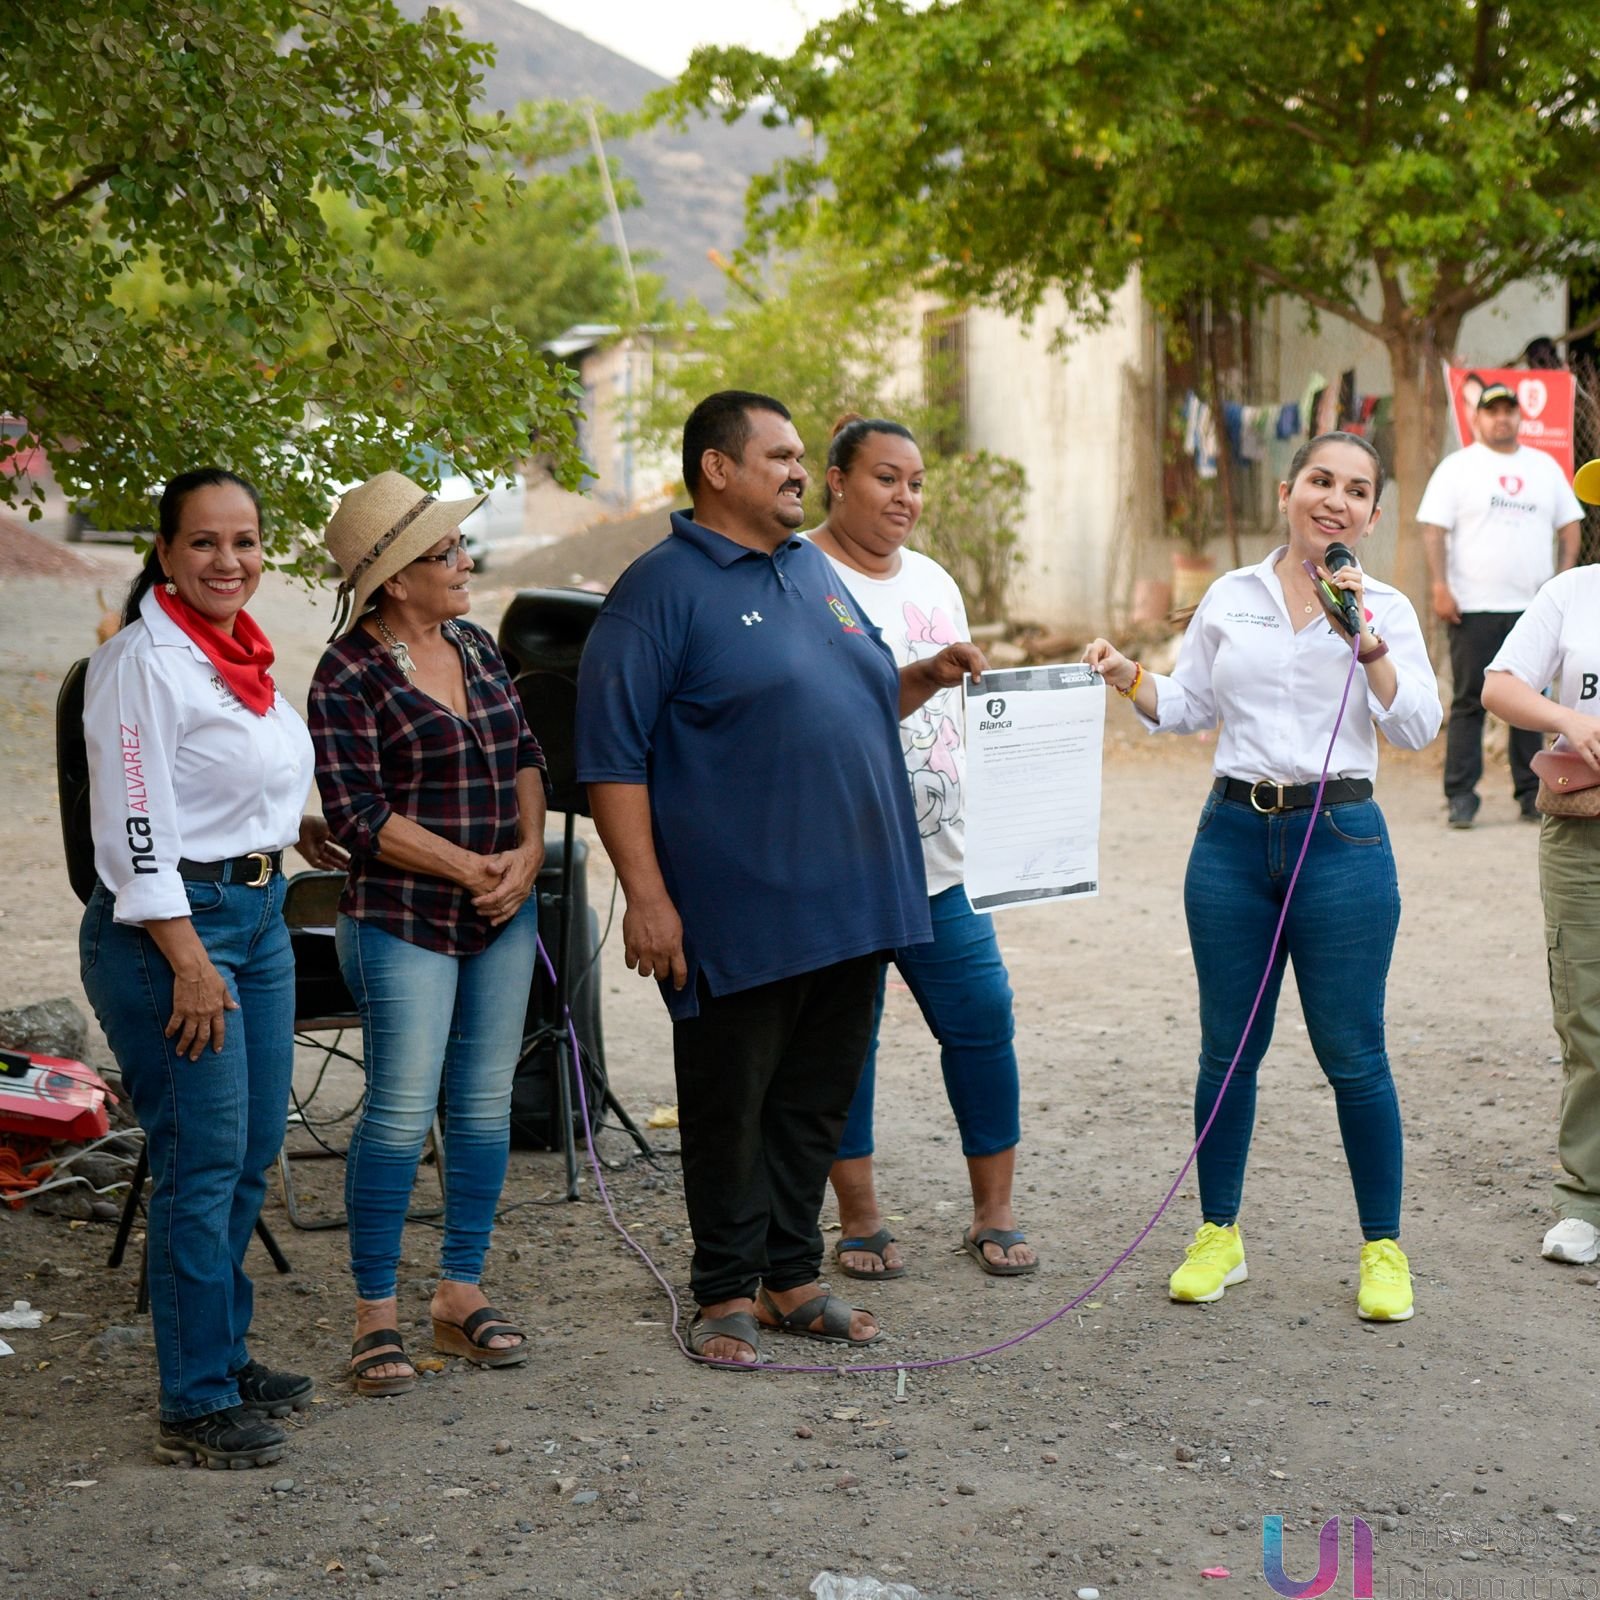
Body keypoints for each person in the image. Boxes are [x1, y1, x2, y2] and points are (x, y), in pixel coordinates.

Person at [575, 391, 984, 1365]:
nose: (800, 471)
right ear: (718, 469)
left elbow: (850, 693)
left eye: (802, 457)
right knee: (731, 1100)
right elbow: (610, 758)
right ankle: (722, 1289)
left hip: (855, 897)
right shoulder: (659, 591)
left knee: (814, 1098)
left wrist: (922, 676)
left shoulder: (811, 569)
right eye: (781, 456)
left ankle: (791, 1276)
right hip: (739, 904)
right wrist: (648, 897)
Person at [1083, 432, 1442, 1322]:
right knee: (1227, 1049)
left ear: (1372, 514)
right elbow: (1193, 705)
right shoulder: (1230, 597)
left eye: (1356, 490)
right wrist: (1131, 676)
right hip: (1232, 840)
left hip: (1341, 841)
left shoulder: (1383, 603)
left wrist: (1367, 641)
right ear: (1287, 490)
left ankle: (1383, 1249)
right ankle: (1219, 1234)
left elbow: (1419, 728)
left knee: (1353, 1054)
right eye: (1321, 480)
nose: (1336, 499)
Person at [80, 468, 345, 1468]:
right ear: (163, 550)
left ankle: (221, 1355)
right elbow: (136, 823)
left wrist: (286, 828)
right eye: (203, 542)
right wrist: (189, 956)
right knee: (199, 1162)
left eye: (245, 540)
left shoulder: (234, 654)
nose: (227, 561)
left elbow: (228, 779)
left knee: (245, 1156)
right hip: (174, 935)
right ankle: (192, 1402)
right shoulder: (143, 660)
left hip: (257, 916)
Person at [309, 471, 548, 1396]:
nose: (464, 561)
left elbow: (527, 754)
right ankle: (375, 1317)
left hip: (502, 908)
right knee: (402, 1114)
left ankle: (458, 1290)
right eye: (445, 552)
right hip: (404, 919)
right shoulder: (347, 673)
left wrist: (526, 854)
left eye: (458, 546)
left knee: (483, 1106)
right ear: (396, 578)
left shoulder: (478, 648)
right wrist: (469, 868)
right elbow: (358, 814)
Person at [804, 414, 1033, 1279]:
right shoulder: (800, 577)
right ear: (835, 479)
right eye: (885, 479)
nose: (905, 498)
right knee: (843, 1043)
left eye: (916, 482)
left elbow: (960, 721)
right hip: (844, 866)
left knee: (982, 1023)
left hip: (946, 867)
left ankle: (995, 1212)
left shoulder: (934, 578)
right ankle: (858, 1220)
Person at [1480, 471, 1600, 1267]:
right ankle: (1585, 1199)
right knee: (1588, 1015)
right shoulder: (1572, 593)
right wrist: (1565, 718)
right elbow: (1498, 684)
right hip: (1584, 832)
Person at [1418, 381, 1583, 827]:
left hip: (1533, 607)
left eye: (1509, 410)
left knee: (1530, 702)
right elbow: (1433, 530)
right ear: (1478, 418)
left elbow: (1570, 528)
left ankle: (1531, 793)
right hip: (1473, 605)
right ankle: (1461, 796)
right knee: (1472, 700)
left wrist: (1561, 579)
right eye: (1493, 411)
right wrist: (1439, 585)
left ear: (1519, 417)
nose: (1502, 418)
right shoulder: (1458, 468)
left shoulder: (1544, 467)